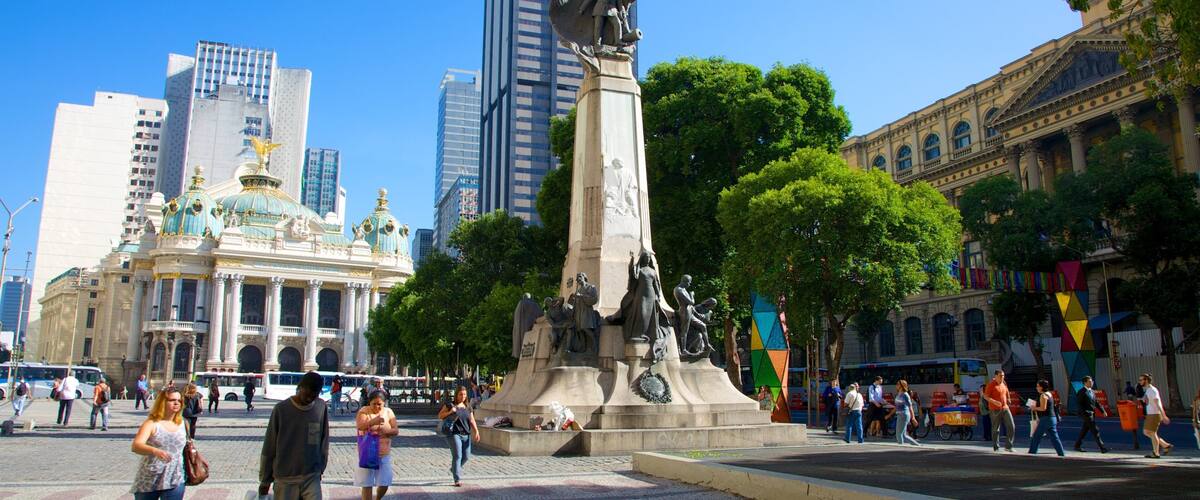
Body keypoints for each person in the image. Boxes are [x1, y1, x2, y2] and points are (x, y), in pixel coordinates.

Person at [259, 371, 330, 499]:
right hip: (285, 478)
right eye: (307, 394)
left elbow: (324, 440)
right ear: (300, 387)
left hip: (311, 476)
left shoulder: (320, 407)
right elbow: (269, 447)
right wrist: (265, 480)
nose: (309, 399)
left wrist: (320, 467)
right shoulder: (281, 409)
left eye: (314, 396)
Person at [130, 387, 187, 500]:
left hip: (175, 476)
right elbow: (136, 446)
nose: (176, 403)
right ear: (162, 402)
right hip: (150, 477)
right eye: (172, 400)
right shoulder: (151, 423)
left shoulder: (183, 423)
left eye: (179, 400)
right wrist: (154, 451)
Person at [355, 391, 398, 500]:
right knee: (367, 483)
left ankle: (378, 498)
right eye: (374, 404)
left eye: (380, 404)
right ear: (369, 402)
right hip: (367, 452)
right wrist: (373, 422)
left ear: (384, 403)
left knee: (385, 481)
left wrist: (386, 431)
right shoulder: (364, 411)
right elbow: (360, 426)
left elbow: (396, 430)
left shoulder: (388, 412)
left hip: (384, 453)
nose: (377, 406)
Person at [438, 386, 480, 487]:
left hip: (466, 434)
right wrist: (450, 411)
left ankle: (454, 469)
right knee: (457, 456)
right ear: (456, 395)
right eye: (461, 394)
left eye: (465, 394)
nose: (463, 396)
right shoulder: (450, 405)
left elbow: (472, 420)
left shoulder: (468, 406)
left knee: (466, 456)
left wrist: (476, 431)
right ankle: (457, 479)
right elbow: (440, 416)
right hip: (454, 433)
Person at [1028, 380, 1065, 456]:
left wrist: (1034, 408)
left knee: (1036, 436)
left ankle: (1032, 452)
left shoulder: (1043, 395)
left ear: (1042, 387)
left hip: (1046, 418)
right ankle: (1061, 453)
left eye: (1038, 386)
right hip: (1052, 418)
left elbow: (1043, 408)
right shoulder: (1049, 394)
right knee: (1054, 437)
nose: (1037, 388)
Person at [1139, 373, 1172, 458]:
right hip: (1151, 414)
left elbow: (1158, 402)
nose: (1140, 382)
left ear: (1146, 380)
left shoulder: (1152, 390)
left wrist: (1163, 415)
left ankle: (1156, 453)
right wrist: (1142, 399)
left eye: (1141, 380)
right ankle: (1165, 445)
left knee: (1151, 433)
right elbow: (1148, 400)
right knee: (1147, 432)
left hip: (1154, 414)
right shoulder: (1148, 390)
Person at [1073, 376, 1109, 453]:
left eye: (1092, 381)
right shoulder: (1081, 392)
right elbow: (1079, 404)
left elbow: (1096, 402)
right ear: (1084, 383)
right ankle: (1102, 448)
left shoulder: (1092, 391)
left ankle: (1077, 445)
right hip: (1086, 414)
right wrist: (1084, 413)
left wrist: (1103, 411)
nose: (1091, 382)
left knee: (1084, 430)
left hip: (1092, 413)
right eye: (1089, 381)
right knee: (1095, 430)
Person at [983, 369, 1015, 452]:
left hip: (1005, 408)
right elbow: (985, 396)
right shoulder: (991, 385)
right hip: (994, 409)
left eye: (1003, 375)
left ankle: (1008, 446)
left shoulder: (1004, 383)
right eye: (1001, 376)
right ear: (996, 376)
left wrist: (1008, 398)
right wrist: (994, 401)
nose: (1003, 377)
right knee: (996, 429)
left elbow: (1007, 391)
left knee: (1011, 426)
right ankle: (996, 447)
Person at [890, 380, 920, 446]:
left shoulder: (905, 394)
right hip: (900, 415)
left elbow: (910, 406)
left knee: (899, 434)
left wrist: (913, 418)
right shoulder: (899, 394)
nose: (896, 385)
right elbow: (897, 405)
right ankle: (917, 445)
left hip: (903, 414)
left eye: (897, 384)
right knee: (904, 435)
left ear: (901, 385)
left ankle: (901, 446)